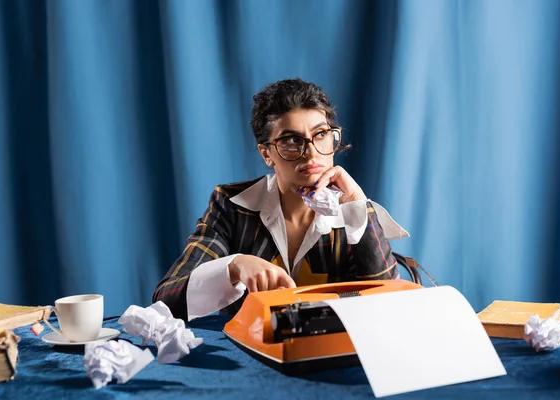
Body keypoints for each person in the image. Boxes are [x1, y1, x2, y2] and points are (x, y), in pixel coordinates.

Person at [152, 78, 409, 321]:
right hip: (249, 355)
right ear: (267, 154)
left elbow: (388, 304)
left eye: (321, 134)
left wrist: (357, 206)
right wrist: (235, 265)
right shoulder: (232, 205)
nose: (310, 154)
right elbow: (166, 300)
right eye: (291, 141)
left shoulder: (353, 214)